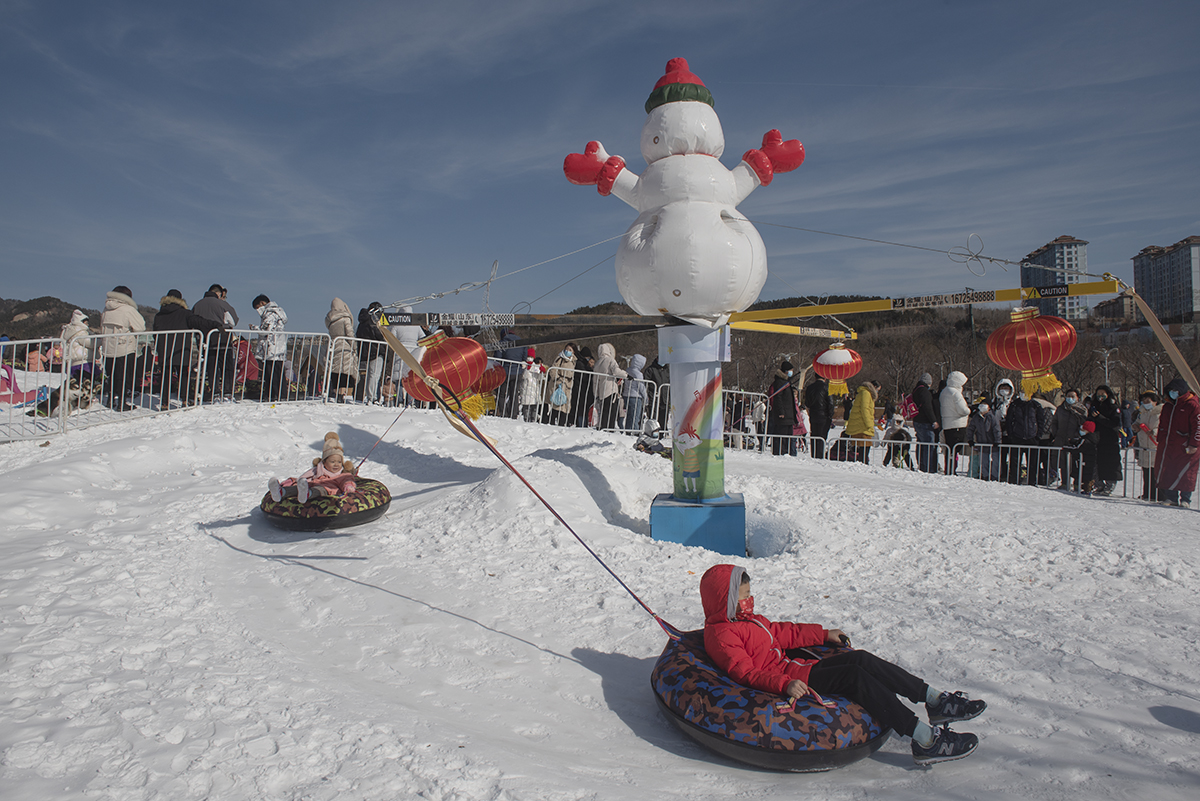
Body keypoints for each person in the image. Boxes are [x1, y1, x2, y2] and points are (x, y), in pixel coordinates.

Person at [700, 565, 985, 766]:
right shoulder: (722, 635)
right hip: (791, 679)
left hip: (796, 666)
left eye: (750, 594)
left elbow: (782, 632)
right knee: (854, 677)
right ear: (725, 600)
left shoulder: (747, 620)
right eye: (743, 597)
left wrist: (824, 634)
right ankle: (925, 740)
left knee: (859, 658)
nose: (749, 601)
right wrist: (783, 683)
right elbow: (744, 672)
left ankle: (933, 699)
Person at [152, 290, 222, 408]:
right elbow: (200, 322)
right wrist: (216, 324)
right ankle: (185, 399)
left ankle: (164, 403)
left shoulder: (159, 315)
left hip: (165, 349)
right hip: (181, 348)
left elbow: (155, 333)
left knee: (166, 376)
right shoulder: (185, 313)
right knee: (184, 375)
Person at [268, 432, 358, 503]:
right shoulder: (319, 469)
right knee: (297, 488)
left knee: (318, 490)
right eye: (332, 461)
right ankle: (281, 492)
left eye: (339, 462)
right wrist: (293, 482)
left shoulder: (342, 474)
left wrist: (348, 487)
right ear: (324, 462)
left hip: (327, 489)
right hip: (311, 484)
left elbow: (347, 481)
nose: (336, 464)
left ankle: (307, 495)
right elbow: (303, 477)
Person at [1154, 378, 1200, 507]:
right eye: (1170, 391)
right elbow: (1163, 424)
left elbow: (1198, 426)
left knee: (1186, 472)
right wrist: (1161, 439)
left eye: (1175, 391)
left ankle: (1185, 498)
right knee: (1169, 470)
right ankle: (1171, 497)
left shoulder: (1192, 405)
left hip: (1186, 445)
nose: (1172, 393)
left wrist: (1194, 444)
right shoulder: (1168, 406)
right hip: (1169, 444)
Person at [100, 285, 146, 411]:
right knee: (124, 377)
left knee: (111, 375)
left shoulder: (106, 309)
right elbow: (140, 327)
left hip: (108, 348)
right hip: (124, 348)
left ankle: (110, 400)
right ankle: (121, 403)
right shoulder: (128, 309)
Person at [193, 284, 239, 402]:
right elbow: (233, 321)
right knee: (226, 368)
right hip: (223, 340)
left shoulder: (197, 305)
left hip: (206, 341)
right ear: (219, 294)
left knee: (211, 368)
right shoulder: (222, 304)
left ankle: (215, 393)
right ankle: (228, 393)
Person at [1087, 385, 1123, 496]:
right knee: (1097, 463)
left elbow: (1114, 423)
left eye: (1103, 394)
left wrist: (1100, 418)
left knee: (1111, 463)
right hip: (1097, 439)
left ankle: (1110, 484)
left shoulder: (1113, 407)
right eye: (1098, 394)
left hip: (1110, 439)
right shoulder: (1094, 406)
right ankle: (1099, 484)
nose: (1100, 396)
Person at [252, 294, 289, 402]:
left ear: (263, 303)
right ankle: (278, 396)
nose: (258, 310)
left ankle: (273, 396)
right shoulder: (278, 312)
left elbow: (266, 331)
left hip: (272, 348)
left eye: (258, 307)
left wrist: (254, 328)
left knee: (272, 374)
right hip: (278, 348)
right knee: (276, 373)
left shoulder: (270, 314)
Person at [1050, 388, 1087, 491]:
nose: (1070, 398)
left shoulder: (1081, 410)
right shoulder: (1061, 409)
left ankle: (1076, 483)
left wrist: (1077, 435)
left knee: (1075, 463)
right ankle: (1065, 483)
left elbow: (1084, 425)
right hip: (1061, 438)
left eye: (1072, 396)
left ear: (1077, 398)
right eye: (1068, 396)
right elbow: (1055, 421)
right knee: (1063, 462)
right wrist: (1056, 433)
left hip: (1075, 440)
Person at [325, 298, 357, 402]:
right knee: (345, 372)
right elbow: (349, 333)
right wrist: (354, 346)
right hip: (345, 347)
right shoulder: (345, 318)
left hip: (334, 346)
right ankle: (344, 394)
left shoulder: (329, 319)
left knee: (335, 372)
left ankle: (336, 394)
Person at [356, 302, 387, 404]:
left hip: (365, 351)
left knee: (369, 375)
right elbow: (379, 335)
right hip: (376, 351)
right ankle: (372, 397)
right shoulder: (373, 321)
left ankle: (370, 396)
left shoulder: (362, 321)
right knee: (374, 375)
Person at [939, 371, 970, 470]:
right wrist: (969, 410)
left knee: (949, 450)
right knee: (955, 449)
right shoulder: (955, 393)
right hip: (957, 425)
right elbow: (963, 410)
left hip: (947, 424)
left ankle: (949, 468)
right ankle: (952, 469)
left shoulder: (944, 392)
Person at [1134, 391, 1162, 501]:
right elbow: (1137, 422)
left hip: (1155, 445)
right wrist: (1135, 426)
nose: (1146, 403)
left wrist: (1154, 432)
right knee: (1146, 472)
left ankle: (1158, 495)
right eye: (1144, 401)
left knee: (1156, 472)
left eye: (1148, 401)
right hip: (1144, 445)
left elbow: (1163, 427)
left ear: (1155, 401)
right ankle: (1147, 493)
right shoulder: (1142, 412)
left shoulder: (1160, 413)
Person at [767, 359, 799, 456]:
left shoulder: (786, 382)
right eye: (790, 370)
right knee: (781, 437)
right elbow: (778, 398)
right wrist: (781, 412)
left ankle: (785, 452)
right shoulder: (780, 382)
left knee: (787, 437)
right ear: (786, 371)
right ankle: (780, 452)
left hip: (789, 415)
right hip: (783, 416)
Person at [844, 380, 880, 464]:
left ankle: (862, 462)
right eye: (877, 389)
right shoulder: (866, 393)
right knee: (865, 447)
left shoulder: (863, 393)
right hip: (862, 426)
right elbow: (865, 410)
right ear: (874, 387)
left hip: (860, 425)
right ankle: (863, 463)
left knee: (862, 447)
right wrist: (869, 424)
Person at [966, 397, 1002, 480]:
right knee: (984, 461)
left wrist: (997, 441)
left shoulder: (992, 417)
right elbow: (971, 429)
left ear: (989, 407)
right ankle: (985, 475)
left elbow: (997, 430)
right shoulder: (976, 417)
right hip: (982, 442)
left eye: (985, 405)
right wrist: (970, 439)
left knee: (995, 461)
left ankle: (995, 476)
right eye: (981, 405)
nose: (982, 407)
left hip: (993, 443)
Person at [593, 343, 627, 431]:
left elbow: (595, 382)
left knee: (604, 414)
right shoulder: (610, 360)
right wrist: (626, 375)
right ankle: (610, 431)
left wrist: (596, 394)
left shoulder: (597, 364)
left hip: (601, 392)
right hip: (611, 391)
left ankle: (603, 430)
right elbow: (616, 371)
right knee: (611, 414)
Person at [912, 372, 941, 473]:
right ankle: (928, 467)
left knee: (921, 444)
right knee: (929, 445)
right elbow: (927, 407)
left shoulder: (915, 390)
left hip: (916, 420)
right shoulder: (924, 392)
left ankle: (922, 465)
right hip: (924, 422)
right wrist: (934, 421)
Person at [542, 343, 576, 426]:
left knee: (564, 407)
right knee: (556, 405)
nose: (568, 351)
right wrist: (557, 379)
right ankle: (551, 423)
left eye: (570, 350)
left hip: (567, 386)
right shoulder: (559, 358)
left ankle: (561, 425)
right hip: (558, 385)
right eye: (567, 349)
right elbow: (553, 370)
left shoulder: (574, 361)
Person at [804, 372, 834, 460]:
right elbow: (830, 403)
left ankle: (814, 455)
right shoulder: (827, 387)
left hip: (813, 414)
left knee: (814, 435)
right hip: (824, 415)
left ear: (815, 377)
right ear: (825, 378)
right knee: (822, 436)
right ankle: (820, 455)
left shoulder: (809, 388)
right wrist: (830, 415)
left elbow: (807, 403)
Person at [570, 346, 595, 427]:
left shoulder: (583, 364)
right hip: (580, 390)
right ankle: (581, 425)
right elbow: (584, 376)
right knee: (581, 410)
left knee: (584, 409)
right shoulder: (580, 364)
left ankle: (582, 424)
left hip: (585, 391)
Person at [622, 353, 647, 432]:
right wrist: (645, 397)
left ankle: (628, 431)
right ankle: (635, 432)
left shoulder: (627, 370)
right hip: (635, 396)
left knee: (629, 416)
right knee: (635, 416)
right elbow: (641, 387)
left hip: (626, 395)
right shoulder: (638, 374)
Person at [517, 349, 544, 422]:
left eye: (531, 356)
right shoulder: (523, 365)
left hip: (534, 390)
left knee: (534, 407)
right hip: (526, 389)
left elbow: (540, 378)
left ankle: (533, 420)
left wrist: (541, 371)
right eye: (528, 356)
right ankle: (526, 419)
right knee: (526, 407)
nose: (529, 358)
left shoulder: (536, 366)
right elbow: (523, 376)